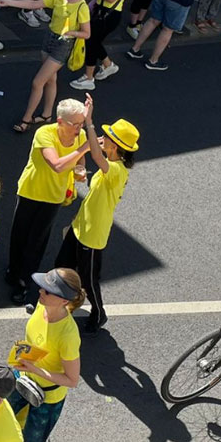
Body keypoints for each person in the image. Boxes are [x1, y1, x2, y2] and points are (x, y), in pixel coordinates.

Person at [8, 268, 89, 442]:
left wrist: (35, 369)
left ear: (64, 301)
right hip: (23, 380)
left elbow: (72, 380)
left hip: (46, 397)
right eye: (43, 286)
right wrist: (21, 361)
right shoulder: (41, 307)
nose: (41, 291)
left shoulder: (68, 335)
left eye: (48, 290)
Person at [55, 111, 137, 333]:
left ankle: (99, 313)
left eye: (106, 136)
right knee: (62, 264)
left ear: (115, 146)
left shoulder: (117, 170)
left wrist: (89, 123)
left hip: (92, 234)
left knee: (88, 279)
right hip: (80, 225)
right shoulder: (112, 165)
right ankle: (58, 301)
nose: (103, 138)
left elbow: (97, 157)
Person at [6, 99, 88, 305]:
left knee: (37, 242)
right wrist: (85, 148)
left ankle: (23, 283)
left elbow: (79, 161)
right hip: (30, 192)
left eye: (82, 123)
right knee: (19, 236)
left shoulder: (81, 136)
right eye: (75, 124)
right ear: (60, 121)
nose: (79, 128)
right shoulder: (44, 134)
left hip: (53, 197)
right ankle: (13, 270)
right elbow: (57, 165)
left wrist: (80, 170)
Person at [0, 0, 90, 130]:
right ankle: (47, 115)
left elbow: (86, 33)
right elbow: (34, 4)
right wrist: (8, 2)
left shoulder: (82, 7)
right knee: (50, 79)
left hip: (63, 45)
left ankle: (26, 119)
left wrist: (72, 33)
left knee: (37, 82)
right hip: (50, 39)